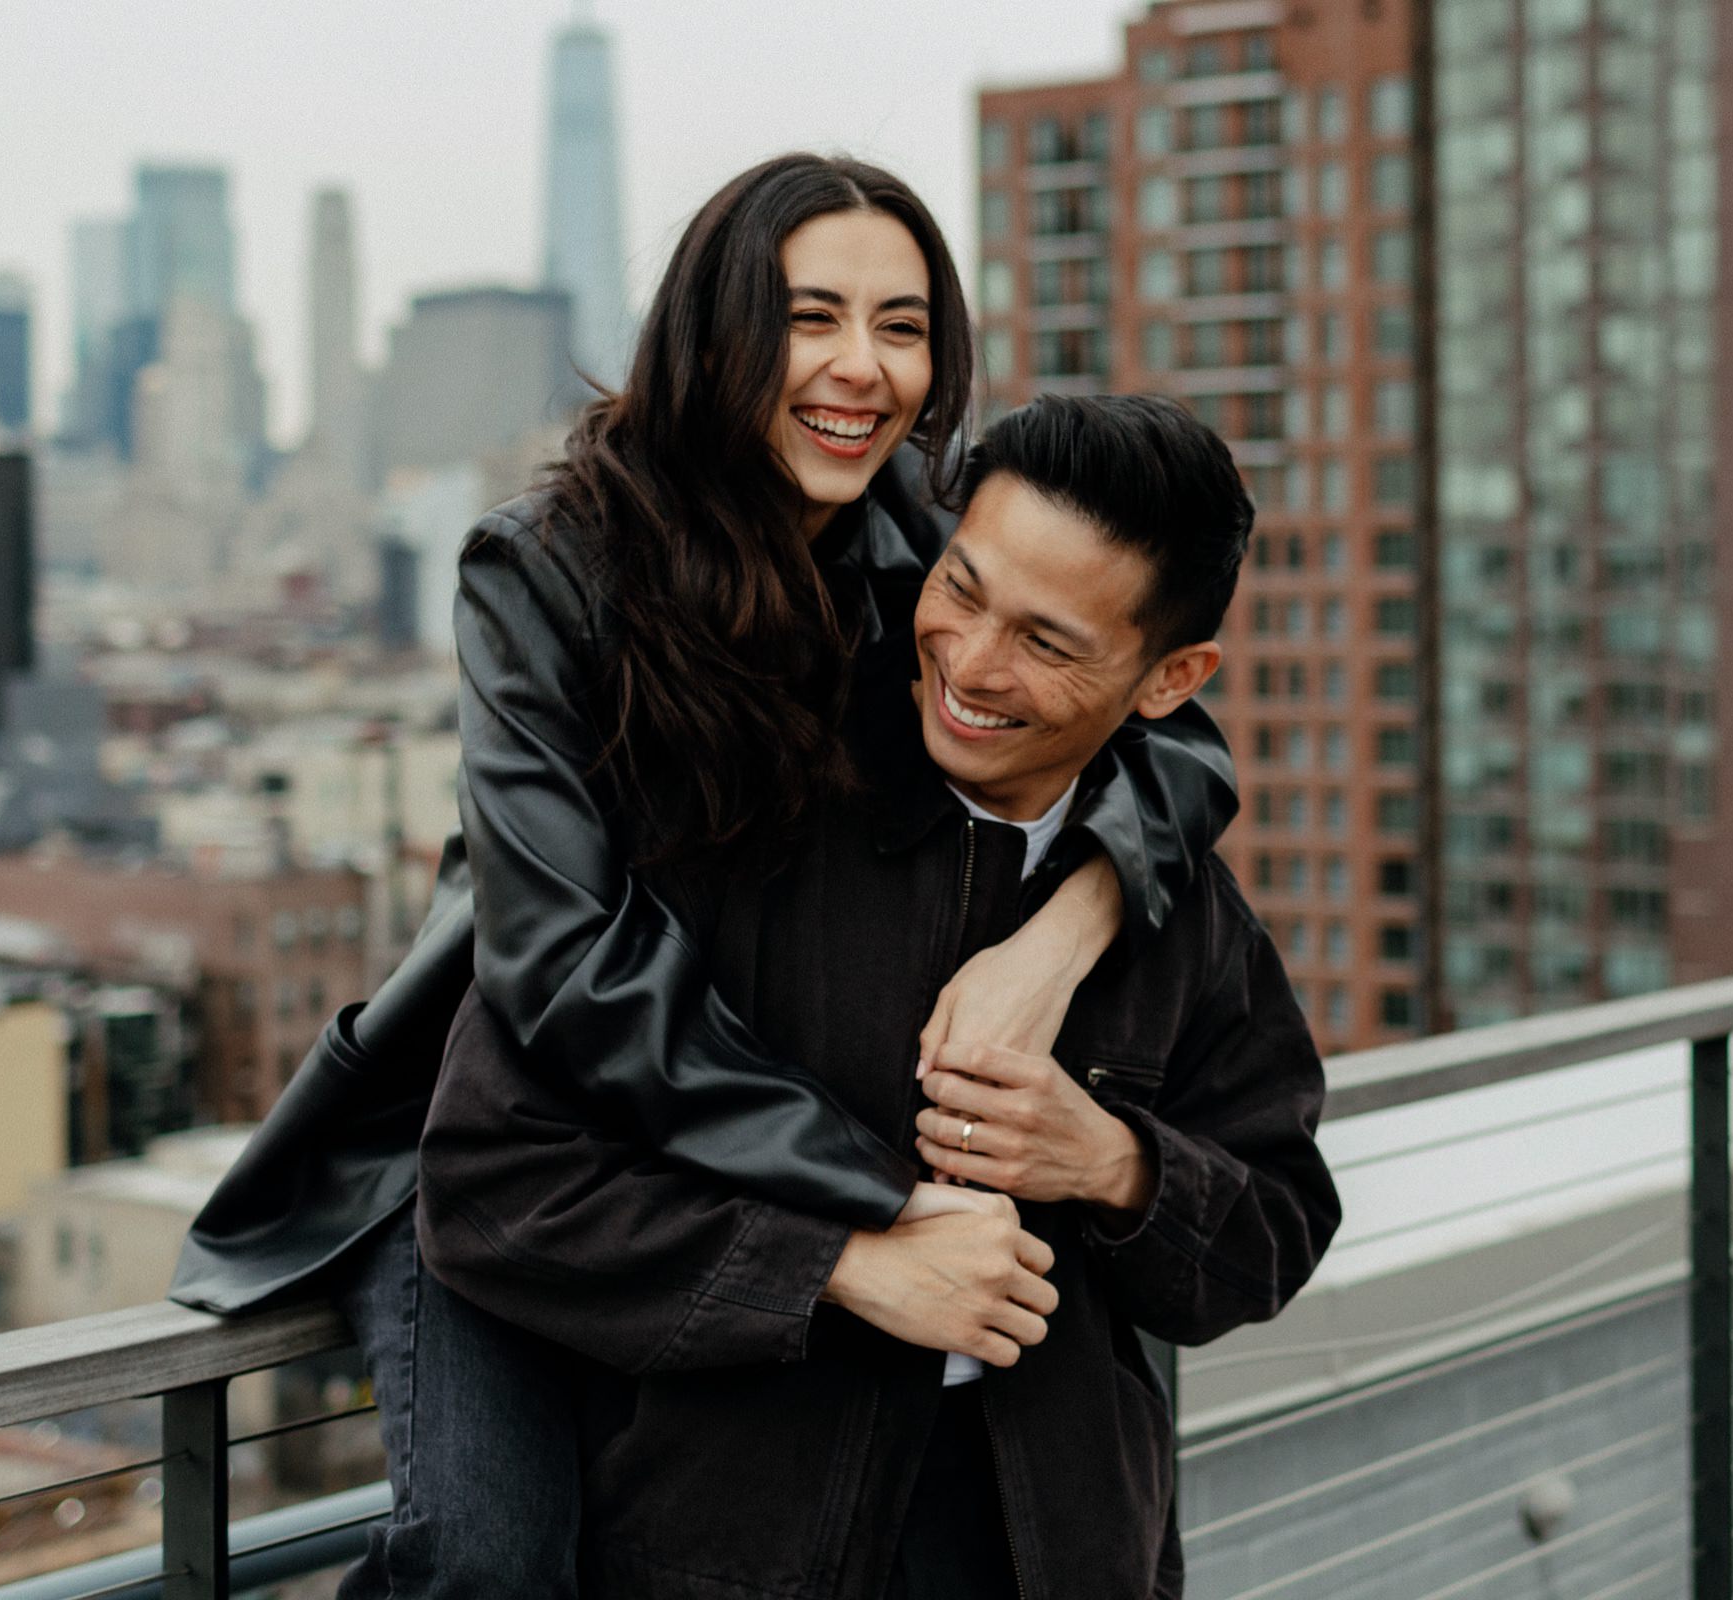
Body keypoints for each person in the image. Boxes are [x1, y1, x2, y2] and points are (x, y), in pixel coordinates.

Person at [170, 157, 1239, 1598]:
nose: (860, 367)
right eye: (813, 317)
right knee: (491, 1558)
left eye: (904, 326)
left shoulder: (917, 552)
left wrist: (1056, 937)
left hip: (721, 1140)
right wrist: (879, 1203)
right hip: (503, 1137)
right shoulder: (547, 569)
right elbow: (568, 970)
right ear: (719, 330)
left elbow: (1176, 744)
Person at [419, 394, 1343, 1600]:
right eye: (960, 587)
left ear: (1173, 678)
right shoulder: (735, 806)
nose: (969, 662)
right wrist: (840, 1265)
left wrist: (1113, 1161)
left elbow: (1276, 1230)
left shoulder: (1181, 914)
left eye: (1048, 644)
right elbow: (494, 1181)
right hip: (725, 1560)